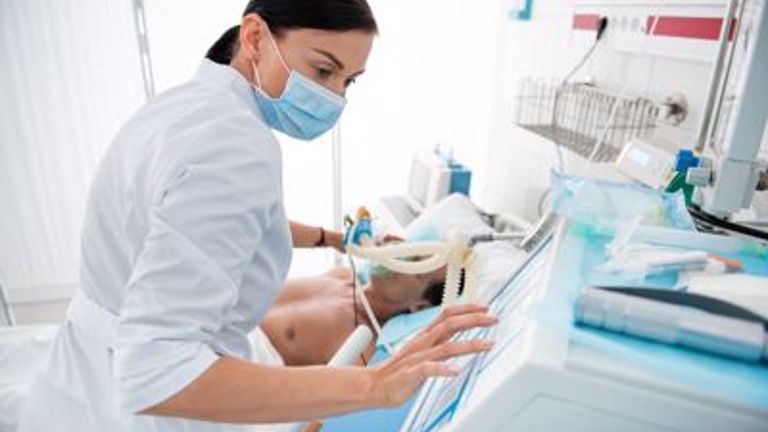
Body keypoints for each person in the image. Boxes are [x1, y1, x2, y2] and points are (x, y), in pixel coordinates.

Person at [17, 1, 496, 431]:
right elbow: (156, 372)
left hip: (78, 376)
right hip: (133, 409)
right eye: (324, 70)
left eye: (348, 81)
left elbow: (214, 228)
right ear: (253, 38)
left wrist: (331, 238)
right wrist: (375, 386)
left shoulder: (181, 110)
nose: (336, 99)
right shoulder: (237, 147)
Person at [260, 265, 454, 366]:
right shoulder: (340, 275)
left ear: (419, 306)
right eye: (410, 255)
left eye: (416, 272)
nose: (399, 263)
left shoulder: (360, 349)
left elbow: (312, 417)